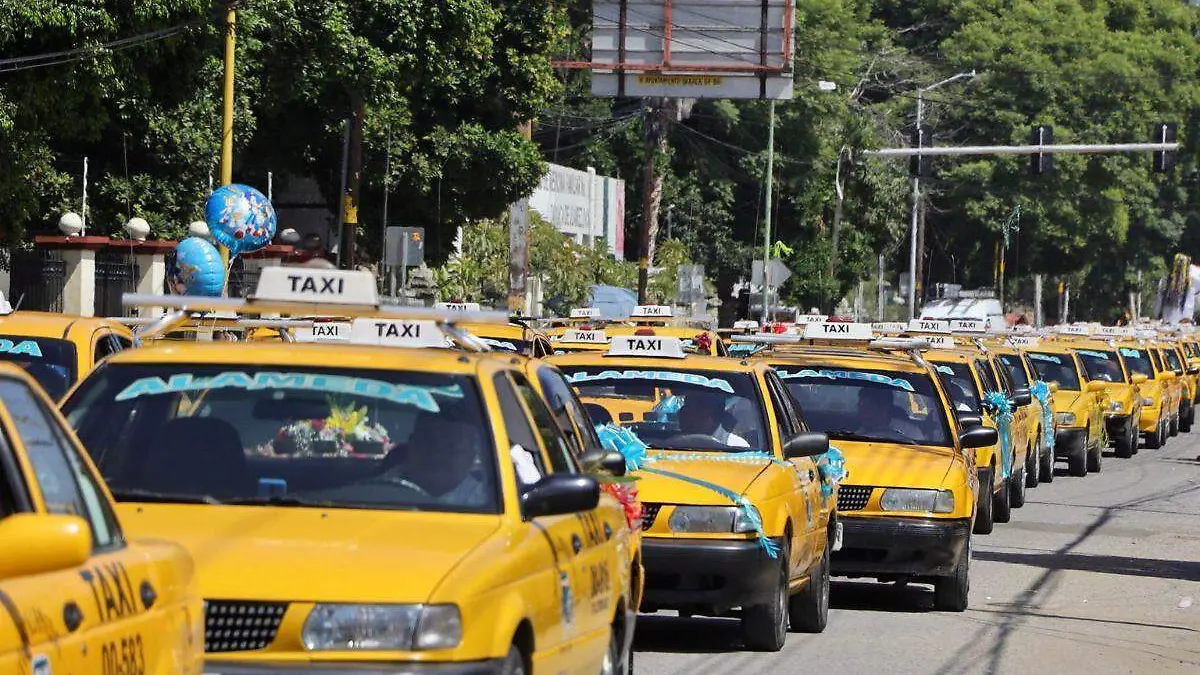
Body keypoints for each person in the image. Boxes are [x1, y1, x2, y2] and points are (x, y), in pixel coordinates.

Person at [380, 415, 490, 506]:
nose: (438, 455)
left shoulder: (485, 501)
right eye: (430, 443)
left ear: (471, 457)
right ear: (412, 445)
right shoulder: (378, 492)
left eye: (451, 448)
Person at [677, 391, 750, 447]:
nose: (686, 417)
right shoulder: (671, 444)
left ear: (715, 416)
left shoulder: (736, 446)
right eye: (686, 409)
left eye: (693, 412)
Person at [855, 387, 922, 441]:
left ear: (884, 410)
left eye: (868, 408)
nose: (861, 413)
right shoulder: (855, 433)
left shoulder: (911, 433)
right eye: (860, 407)